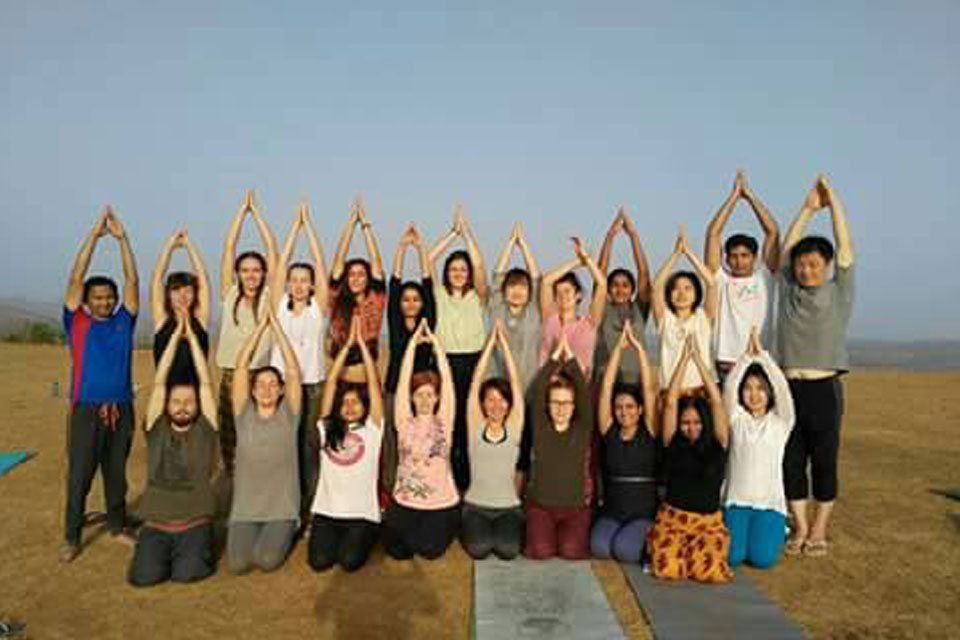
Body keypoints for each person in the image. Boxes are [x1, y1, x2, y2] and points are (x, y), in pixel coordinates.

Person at [775, 175, 855, 558]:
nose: (805, 270)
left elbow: (845, 247)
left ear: (825, 266)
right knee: (791, 460)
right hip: (789, 388)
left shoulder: (839, 291)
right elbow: (787, 247)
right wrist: (807, 208)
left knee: (824, 460)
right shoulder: (789, 288)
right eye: (802, 265)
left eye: (812, 264)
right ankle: (800, 527)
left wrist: (833, 201)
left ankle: (820, 530)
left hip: (824, 388)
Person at [61, 207, 139, 563]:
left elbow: (133, 281)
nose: (105, 300)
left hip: (122, 408)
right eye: (99, 296)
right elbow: (76, 277)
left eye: (109, 295)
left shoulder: (124, 321)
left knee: (116, 472)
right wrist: (93, 237)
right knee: (80, 474)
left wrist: (124, 240)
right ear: (88, 301)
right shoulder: (76, 322)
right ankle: (72, 536)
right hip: (86, 410)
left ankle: (118, 525)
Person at [128, 317, 219, 587]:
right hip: (156, 525)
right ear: (166, 405)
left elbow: (205, 384)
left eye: (189, 402)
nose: (182, 407)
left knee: (187, 574)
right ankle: (151, 548)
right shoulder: (156, 428)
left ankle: (197, 547)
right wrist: (173, 340)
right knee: (144, 578)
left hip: (194, 523)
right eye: (176, 402)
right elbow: (159, 383)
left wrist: (192, 339)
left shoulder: (205, 428)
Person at [647, 337, 732, 583]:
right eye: (686, 423)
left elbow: (716, 402)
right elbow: (671, 402)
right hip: (673, 519)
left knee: (710, 572)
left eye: (696, 422)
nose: (691, 428)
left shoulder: (719, 444)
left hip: (707, 523)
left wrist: (700, 362)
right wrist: (684, 359)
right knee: (668, 569)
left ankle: (695, 553)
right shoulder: (672, 442)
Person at [227, 309, 301, 574]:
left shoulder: (289, 415)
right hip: (246, 509)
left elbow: (292, 370)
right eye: (261, 384)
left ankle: (291, 527)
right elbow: (240, 367)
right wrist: (260, 328)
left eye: (273, 384)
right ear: (253, 389)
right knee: (237, 565)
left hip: (281, 508)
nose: (267, 389)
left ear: (281, 389)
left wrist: (277, 328)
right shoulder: (242, 414)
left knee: (266, 560)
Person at [308, 317, 383, 573]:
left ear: (364, 407)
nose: (350, 407)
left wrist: (361, 345)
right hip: (327, 512)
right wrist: (345, 347)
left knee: (349, 562)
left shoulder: (373, 429)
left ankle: (371, 533)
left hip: (360, 514)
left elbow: (373, 385)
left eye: (356, 402)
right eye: (345, 403)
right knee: (319, 563)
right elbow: (330, 384)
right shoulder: (328, 428)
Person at [269, 203, 328, 523]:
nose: (299, 284)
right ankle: (286, 508)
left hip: (313, 387)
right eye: (294, 279)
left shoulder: (318, 309)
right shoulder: (280, 307)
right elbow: (278, 268)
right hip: (282, 388)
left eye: (305, 280)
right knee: (284, 447)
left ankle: (311, 509)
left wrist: (310, 227)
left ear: (312, 284)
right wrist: (295, 228)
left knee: (309, 448)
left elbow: (321, 263)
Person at [383, 320, 460, 560]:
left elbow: (448, 382)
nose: (425, 400)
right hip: (406, 501)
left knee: (430, 550)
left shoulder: (444, 421)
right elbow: (403, 380)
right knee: (398, 551)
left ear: (437, 398)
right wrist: (412, 345)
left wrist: (437, 346)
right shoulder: (404, 420)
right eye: (419, 395)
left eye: (429, 395)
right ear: (412, 398)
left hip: (440, 503)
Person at [216, 189, 278, 476]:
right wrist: (243, 211)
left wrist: (260, 216)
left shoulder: (270, 297)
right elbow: (229, 247)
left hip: (262, 376)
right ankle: (235, 489)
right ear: (238, 273)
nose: (250, 275)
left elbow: (274, 253)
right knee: (231, 437)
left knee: (261, 438)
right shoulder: (229, 294)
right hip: (231, 374)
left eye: (256, 270)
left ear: (263, 273)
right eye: (245, 270)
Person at [722, 329, 795, 569]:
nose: (754, 394)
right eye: (749, 388)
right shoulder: (736, 418)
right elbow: (730, 387)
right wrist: (745, 358)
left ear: (770, 393)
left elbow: (783, 388)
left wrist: (762, 356)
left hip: (769, 504)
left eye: (761, 388)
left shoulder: (781, 421)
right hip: (736, 502)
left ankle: (780, 528)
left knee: (763, 560)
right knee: (732, 557)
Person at [429, 207, 489, 491]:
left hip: (473, 363)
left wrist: (466, 234)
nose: (458, 273)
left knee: (469, 422)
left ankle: (467, 482)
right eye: (453, 269)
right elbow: (429, 258)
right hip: (445, 363)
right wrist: (452, 233)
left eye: (462, 269)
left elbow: (479, 266)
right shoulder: (438, 295)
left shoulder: (478, 297)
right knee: (446, 422)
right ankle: (444, 480)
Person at [590, 322, 659, 564]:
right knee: (599, 548)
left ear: (640, 410)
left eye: (630, 406)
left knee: (624, 551)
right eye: (619, 407)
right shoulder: (609, 429)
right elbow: (606, 388)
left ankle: (645, 536)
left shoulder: (649, 431)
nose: (624, 412)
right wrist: (618, 349)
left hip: (642, 513)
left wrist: (639, 350)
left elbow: (649, 389)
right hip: (613, 511)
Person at [524, 334, 595, 560]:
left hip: (574, 509)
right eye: (555, 402)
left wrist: (571, 360)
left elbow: (584, 394)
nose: (561, 408)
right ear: (548, 404)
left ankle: (563, 535)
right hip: (542, 507)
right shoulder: (541, 427)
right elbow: (537, 392)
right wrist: (554, 359)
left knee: (571, 552)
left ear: (574, 407)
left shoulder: (582, 429)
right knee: (541, 552)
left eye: (566, 403)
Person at [704, 171, 780, 378]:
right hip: (726, 365)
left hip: (759, 361)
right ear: (726, 258)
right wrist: (733, 197)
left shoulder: (765, 278)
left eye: (745, 255)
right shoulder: (720, 280)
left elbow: (773, 232)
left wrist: (749, 197)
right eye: (734, 256)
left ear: (755, 257)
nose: (739, 260)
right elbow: (713, 233)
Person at [460, 319, 526, 560]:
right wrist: (490, 345)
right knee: (479, 549)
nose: (496, 405)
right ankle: (474, 528)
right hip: (476, 507)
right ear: (482, 403)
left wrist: (504, 345)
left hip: (508, 508)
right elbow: (476, 381)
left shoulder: (514, 427)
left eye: (501, 400)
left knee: (508, 551)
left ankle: (500, 532)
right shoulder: (476, 426)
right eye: (490, 399)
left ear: (508, 405)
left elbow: (516, 385)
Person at [383, 223, 437, 494]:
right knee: (393, 442)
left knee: (421, 443)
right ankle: (391, 490)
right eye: (406, 299)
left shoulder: (428, 324)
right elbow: (393, 285)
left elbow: (428, 284)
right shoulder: (394, 323)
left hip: (421, 393)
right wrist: (403, 248)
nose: (411, 303)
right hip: (394, 390)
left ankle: (422, 487)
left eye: (416, 299)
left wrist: (421, 248)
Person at [327, 196, 386, 383]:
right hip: (340, 376)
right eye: (351, 274)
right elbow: (338, 261)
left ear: (368, 279)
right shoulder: (336, 300)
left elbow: (376, 261)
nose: (356, 279)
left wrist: (365, 226)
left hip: (367, 378)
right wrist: (351, 224)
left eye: (361, 274)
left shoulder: (375, 299)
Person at [651, 228, 718, 392]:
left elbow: (712, 284)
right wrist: (675, 254)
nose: (681, 293)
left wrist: (688, 253)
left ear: (696, 294)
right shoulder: (665, 319)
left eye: (688, 288)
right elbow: (656, 286)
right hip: (670, 393)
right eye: (676, 288)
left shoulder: (703, 317)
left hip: (701, 390)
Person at [594, 207, 652, 384]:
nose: (620, 290)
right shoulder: (603, 309)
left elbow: (643, 273)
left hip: (637, 382)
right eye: (615, 285)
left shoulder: (639, 310)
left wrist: (633, 236)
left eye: (625, 285)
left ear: (633, 290)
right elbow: (600, 273)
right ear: (608, 289)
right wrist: (610, 236)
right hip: (606, 380)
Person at [150, 228, 211, 387]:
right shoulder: (162, 320)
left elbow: (203, 280)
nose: (182, 296)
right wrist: (170, 244)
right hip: (166, 398)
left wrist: (189, 245)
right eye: (176, 290)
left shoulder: (199, 320)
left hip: (198, 398)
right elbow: (157, 279)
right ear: (168, 294)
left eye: (188, 291)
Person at [539, 237, 607, 377]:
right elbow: (546, 282)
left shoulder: (589, 323)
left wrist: (586, 259)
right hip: (549, 388)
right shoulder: (550, 319)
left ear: (578, 295)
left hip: (580, 389)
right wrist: (577, 262)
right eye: (557, 293)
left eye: (567, 291)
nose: (563, 296)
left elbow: (602, 284)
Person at [488, 221, 541, 392]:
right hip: (498, 387)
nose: (517, 290)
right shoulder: (497, 309)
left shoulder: (533, 311)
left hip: (529, 387)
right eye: (512, 285)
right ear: (504, 291)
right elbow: (497, 276)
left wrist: (523, 243)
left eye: (522, 286)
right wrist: (511, 242)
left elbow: (536, 279)